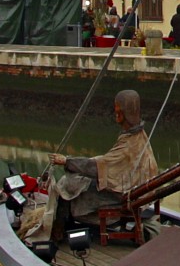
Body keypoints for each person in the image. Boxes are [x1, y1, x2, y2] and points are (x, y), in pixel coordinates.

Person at [44, 89, 160, 241]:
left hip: (120, 197)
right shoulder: (137, 136)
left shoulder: (129, 144)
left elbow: (98, 167)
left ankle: (58, 231)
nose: (116, 114)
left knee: (66, 185)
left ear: (123, 113)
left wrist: (67, 161)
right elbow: (111, 162)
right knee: (77, 180)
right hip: (131, 190)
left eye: (118, 111)